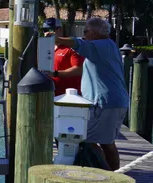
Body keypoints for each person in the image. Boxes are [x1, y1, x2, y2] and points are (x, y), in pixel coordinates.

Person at [54, 17, 129, 170]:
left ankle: (107, 176)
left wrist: (56, 39)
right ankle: (112, 175)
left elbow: (77, 43)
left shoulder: (99, 46)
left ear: (95, 32)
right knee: (107, 143)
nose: (84, 34)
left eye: (86, 31)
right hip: (112, 102)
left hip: (104, 102)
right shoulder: (108, 46)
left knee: (87, 140)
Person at [41, 17, 84, 96]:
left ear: (60, 30)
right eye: (45, 30)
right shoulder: (44, 48)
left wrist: (56, 74)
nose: (47, 33)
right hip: (50, 94)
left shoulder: (71, 47)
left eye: (50, 30)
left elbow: (79, 70)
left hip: (69, 96)